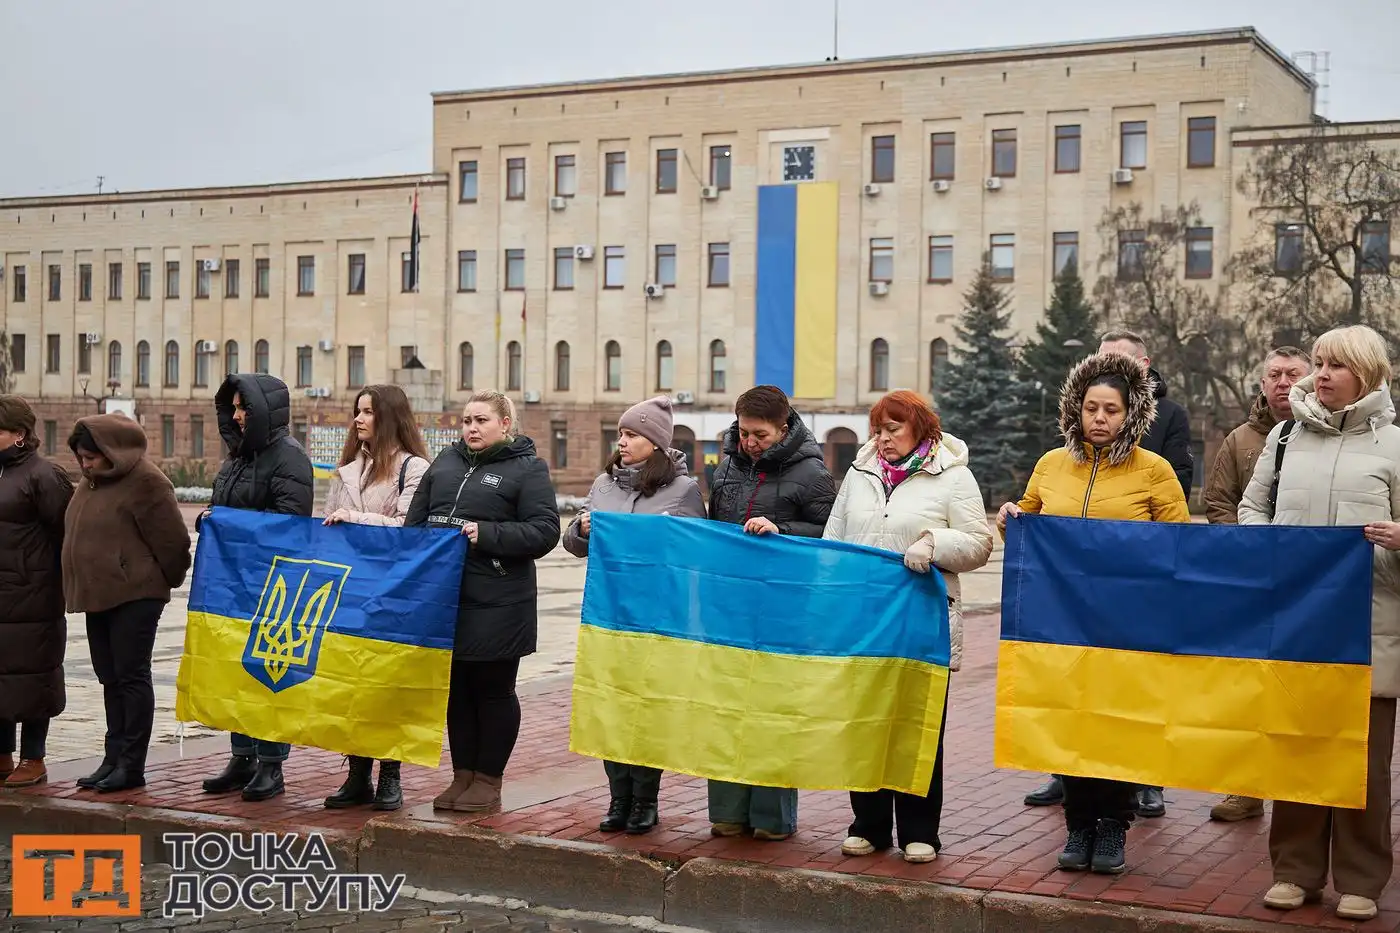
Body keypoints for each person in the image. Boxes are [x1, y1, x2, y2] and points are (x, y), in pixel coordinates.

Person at [996, 351, 1189, 875]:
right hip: (1061, 623)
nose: (1099, 419)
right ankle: (1078, 824)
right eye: (1090, 408)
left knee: (1116, 725)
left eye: (1111, 410)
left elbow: (1181, 544)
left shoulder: (1155, 470)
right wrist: (1011, 518)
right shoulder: (1051, 464)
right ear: (1075, 411)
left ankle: (1112, 827)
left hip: (1128, 626)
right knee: (1070, 722)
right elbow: (1027, 523)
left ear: (1131, 415)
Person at [1240, 325, 1400, 923]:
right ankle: (1295, 871)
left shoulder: (1395, 447)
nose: (1320, 374)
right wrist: (1266, 550)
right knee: (1298, 752)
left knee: (1363, 761)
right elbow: (1254, 506)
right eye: (1320, 363)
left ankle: (1361, 879)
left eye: (1336, 365)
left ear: (1368, 373)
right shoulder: (1284, 438)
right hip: (1299, 625)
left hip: (1368, 626)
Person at [823, 390, 992, 864]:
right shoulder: (859, 474)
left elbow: (979, 543)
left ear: (920, 428)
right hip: (865, 622)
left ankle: (920, 831)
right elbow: (834, 539)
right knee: (866, 725)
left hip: (920, 621)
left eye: (892, 429)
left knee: (916, 727)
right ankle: (869, 825)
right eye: (877, 429)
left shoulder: (953, 476)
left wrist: (934, 542)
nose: (882, 439)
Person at [406, 391, 560, 813]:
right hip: (447, 599)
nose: (471, 428)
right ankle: (463, 777)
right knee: (458, 692)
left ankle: (488, 780)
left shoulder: (527, 468)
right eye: (466, 420)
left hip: (499, 601)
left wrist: (488, 534)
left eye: (481, 421)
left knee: (492, 691)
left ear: (505, 424)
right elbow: (415, 523)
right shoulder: (446, 462)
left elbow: (545, 531)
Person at [563, 396, 705, 835]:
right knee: (610, 706)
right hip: (607, 614)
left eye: (631, 435)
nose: (621, 442)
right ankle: (617, 798)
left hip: (657, 619)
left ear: (656, 443)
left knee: (646, 710)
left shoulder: (683, 491)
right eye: (621, 434)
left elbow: (695, 552)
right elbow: (574, 543)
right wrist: (581, 530)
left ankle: (645, 800)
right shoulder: (604, 485)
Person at [705, 384, 836, 841]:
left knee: (772, 711)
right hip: (729, 606)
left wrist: (781, 529)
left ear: (784, 428)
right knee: (725, 709)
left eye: (759, 435)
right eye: (743, 432)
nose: (749, 442)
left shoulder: (812, 472)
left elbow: (828, 532)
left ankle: (771, 817)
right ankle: (726, 810)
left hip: (784, 606)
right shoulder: (725, 471)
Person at [1200, 345, 1309, 823]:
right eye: (1273, 375)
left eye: (1292, 374)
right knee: (1247, 688)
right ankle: (1245, 789)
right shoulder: (1240, 439)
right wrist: (1244, 555)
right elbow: (1218, 502)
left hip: (1310, 587)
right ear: (1262, 384)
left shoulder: (1322, 437)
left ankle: (1298, 784)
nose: (1282, 382)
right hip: (1249, 584)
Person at [198, 373, 314, 802]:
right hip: (232, 583)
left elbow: (290, 524)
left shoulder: (289, 458)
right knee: (235, 672)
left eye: (244, 406)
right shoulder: (237, 457)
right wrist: (209, 520)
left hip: (271, 585)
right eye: (233, 407)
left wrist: (230, 525)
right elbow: (222, 508)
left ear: (265, 409)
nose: (237, 414)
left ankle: (271, 765)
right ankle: (241, 755)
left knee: (266, 675)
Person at [64, 414, 192, 793]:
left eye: (91, 457)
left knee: (131, 676)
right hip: (98, 595)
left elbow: (174, 544)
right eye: (81, 458)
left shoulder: (148, 482)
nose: (85, 464)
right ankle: (112, 756)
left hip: (135, 596)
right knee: (109, 677)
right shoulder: (90, 483)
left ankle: (131, 765)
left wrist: (158, 581)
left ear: (112, 451)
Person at [320, 384, 430, 812]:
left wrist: (356, 518)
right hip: (350, 590)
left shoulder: (415, 468)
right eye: (357, 411)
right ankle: (357, 774)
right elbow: (327, 524)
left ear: (390, 418)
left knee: (388, 687)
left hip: (394, 593)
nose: (359, 419)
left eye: (368, 412)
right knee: (353, 686)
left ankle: (391, 774)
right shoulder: (347, 468)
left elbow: (408, 529)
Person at [0, 396, 74, 788]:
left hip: (33, 596)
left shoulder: (43, 476)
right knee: (3, 676)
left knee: (34, 676)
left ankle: (34, 757)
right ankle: (2, 755)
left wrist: (44, 578)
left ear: (19, 435)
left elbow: (65, 533)